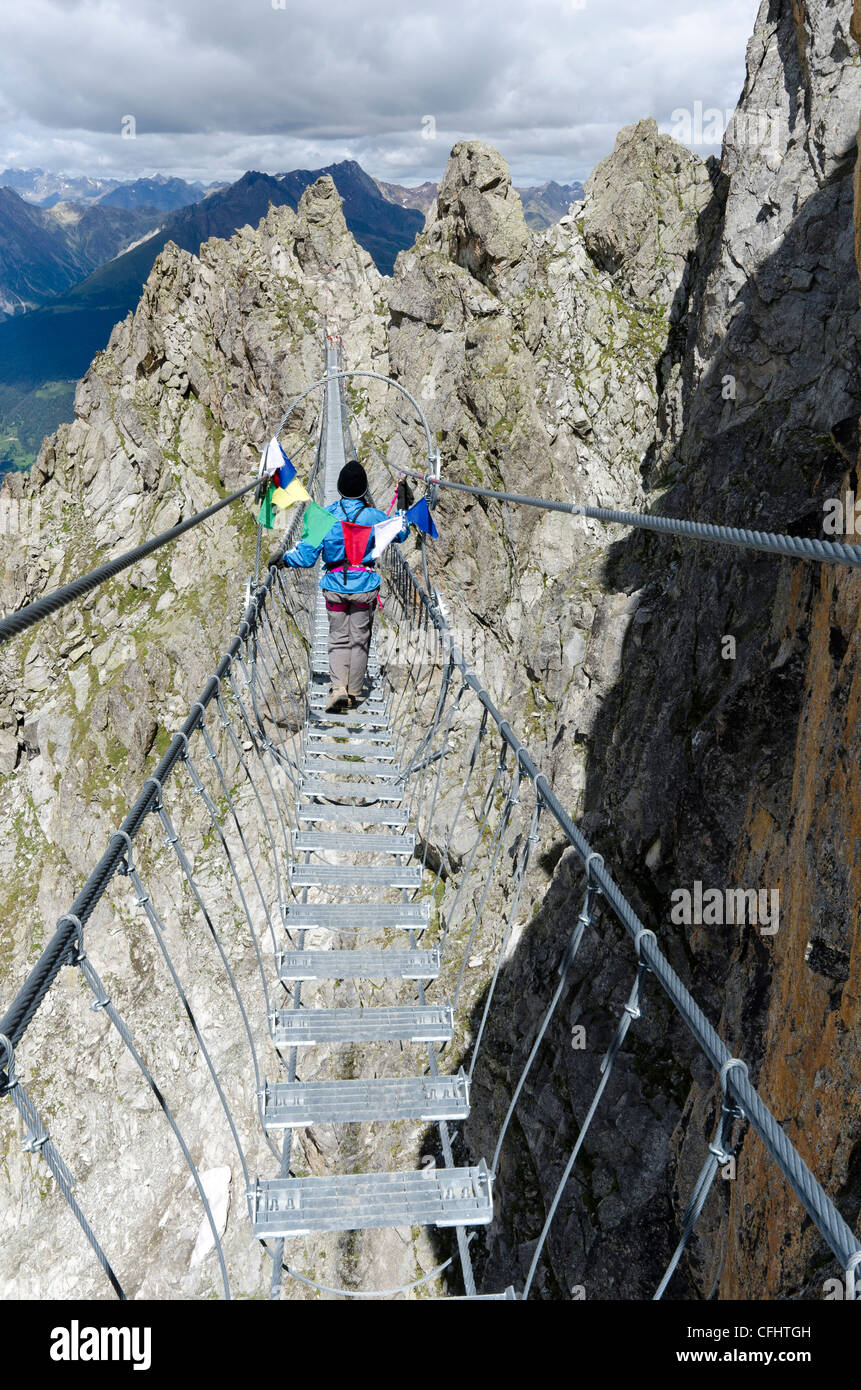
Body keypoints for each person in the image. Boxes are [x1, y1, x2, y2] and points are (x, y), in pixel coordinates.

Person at [279, 460, 410, 712]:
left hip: (335, 588)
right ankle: (353, 692)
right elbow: (401, 533)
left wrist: (284, 559)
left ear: (339, 489)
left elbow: (306, 557)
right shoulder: (374, 516)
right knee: (359, 639)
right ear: (364, 490)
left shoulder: (324, 515)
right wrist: (402, 507)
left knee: (338, 638)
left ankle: (337, 687)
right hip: (364, 588)